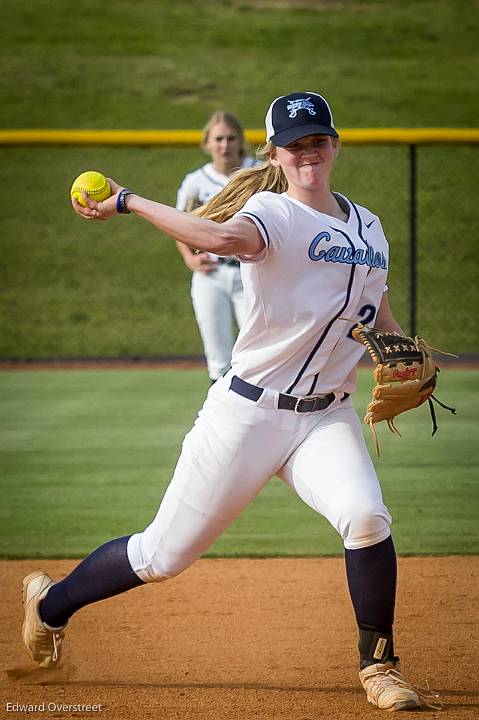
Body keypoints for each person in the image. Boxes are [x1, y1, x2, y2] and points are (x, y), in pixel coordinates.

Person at [22, 91, 441, 713]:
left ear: (336, 145)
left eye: (318, 140)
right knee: (161, 556)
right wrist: (130, 201)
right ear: (273, 152)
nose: (308, 153)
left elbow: (375, 311)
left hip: (326, 414)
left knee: (366, 517)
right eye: (294, 144)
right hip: (246, 414)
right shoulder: (273, 213)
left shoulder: (369, 226)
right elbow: (218, 234)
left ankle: (379, 666)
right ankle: (50, 604)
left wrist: (399, 351)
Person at [175, 111, 258, 383]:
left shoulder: (258, 174)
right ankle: (222, 423)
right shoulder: (196, 181)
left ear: (240, 141)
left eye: (231, 138)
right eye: (218, 138)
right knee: (219, 360)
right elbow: (180, 224)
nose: (225, 145)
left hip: (253, 273)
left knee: (256, 356)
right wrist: (189, 258)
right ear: (207, 143)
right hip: (211, 274)